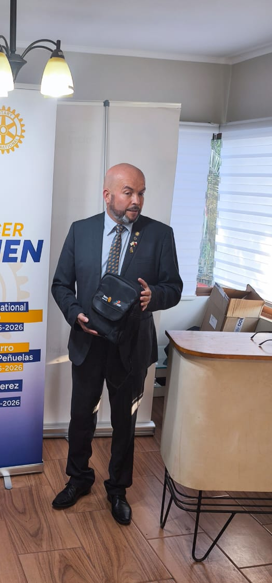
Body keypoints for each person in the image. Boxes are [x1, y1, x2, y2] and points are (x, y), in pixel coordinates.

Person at [51, 163, 182, 524]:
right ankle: (78, 479)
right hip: (88, 343)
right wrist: (75, 313)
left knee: (125, 422)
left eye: (141, 192)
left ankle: (118, 489)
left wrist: (153, 296)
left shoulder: (159, 235)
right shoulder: (81, 231)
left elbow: (174, 288)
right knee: (82, 417)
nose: (136, 200)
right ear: (107, 194)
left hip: (131, 348)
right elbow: (61, 284)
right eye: (128, 192)